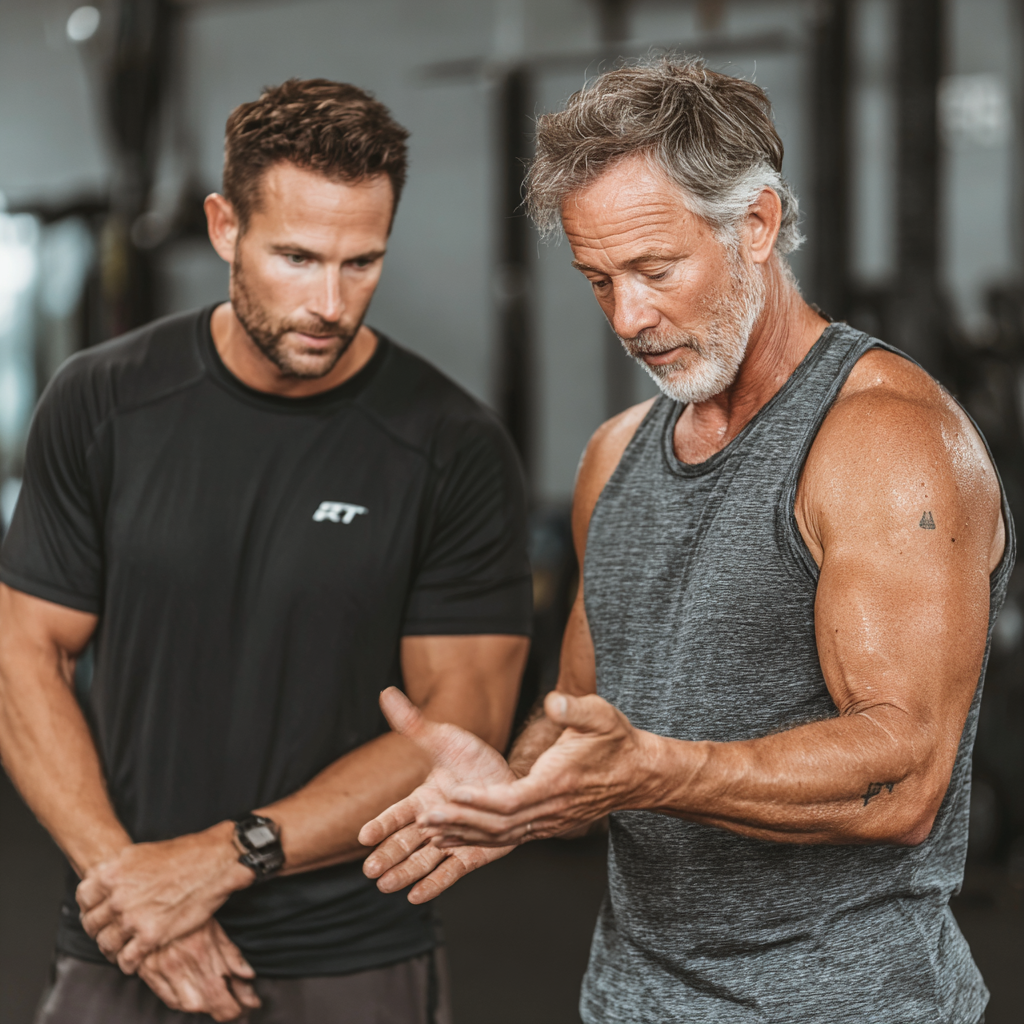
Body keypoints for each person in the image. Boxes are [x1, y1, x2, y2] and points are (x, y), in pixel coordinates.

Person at [359, 57, 1013, 1024]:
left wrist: (661, 771)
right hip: (632, 997)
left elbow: (903, 776)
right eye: (598, 280)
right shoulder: (615, 456)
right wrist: (519, 786)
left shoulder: (883, 443)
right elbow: (588, 712)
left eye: (656, 271)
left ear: (755, 224)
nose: (629, 317)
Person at [0, 78, 532, 1024]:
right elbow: (23, 655)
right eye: (296, 257)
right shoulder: (102, 403)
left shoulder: (451, 444)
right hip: (122, 932)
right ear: (223, 227)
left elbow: (462, 724)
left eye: (361, 263)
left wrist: (220, 859)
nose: (330, 302)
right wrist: (137, 889)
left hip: (346, 955)